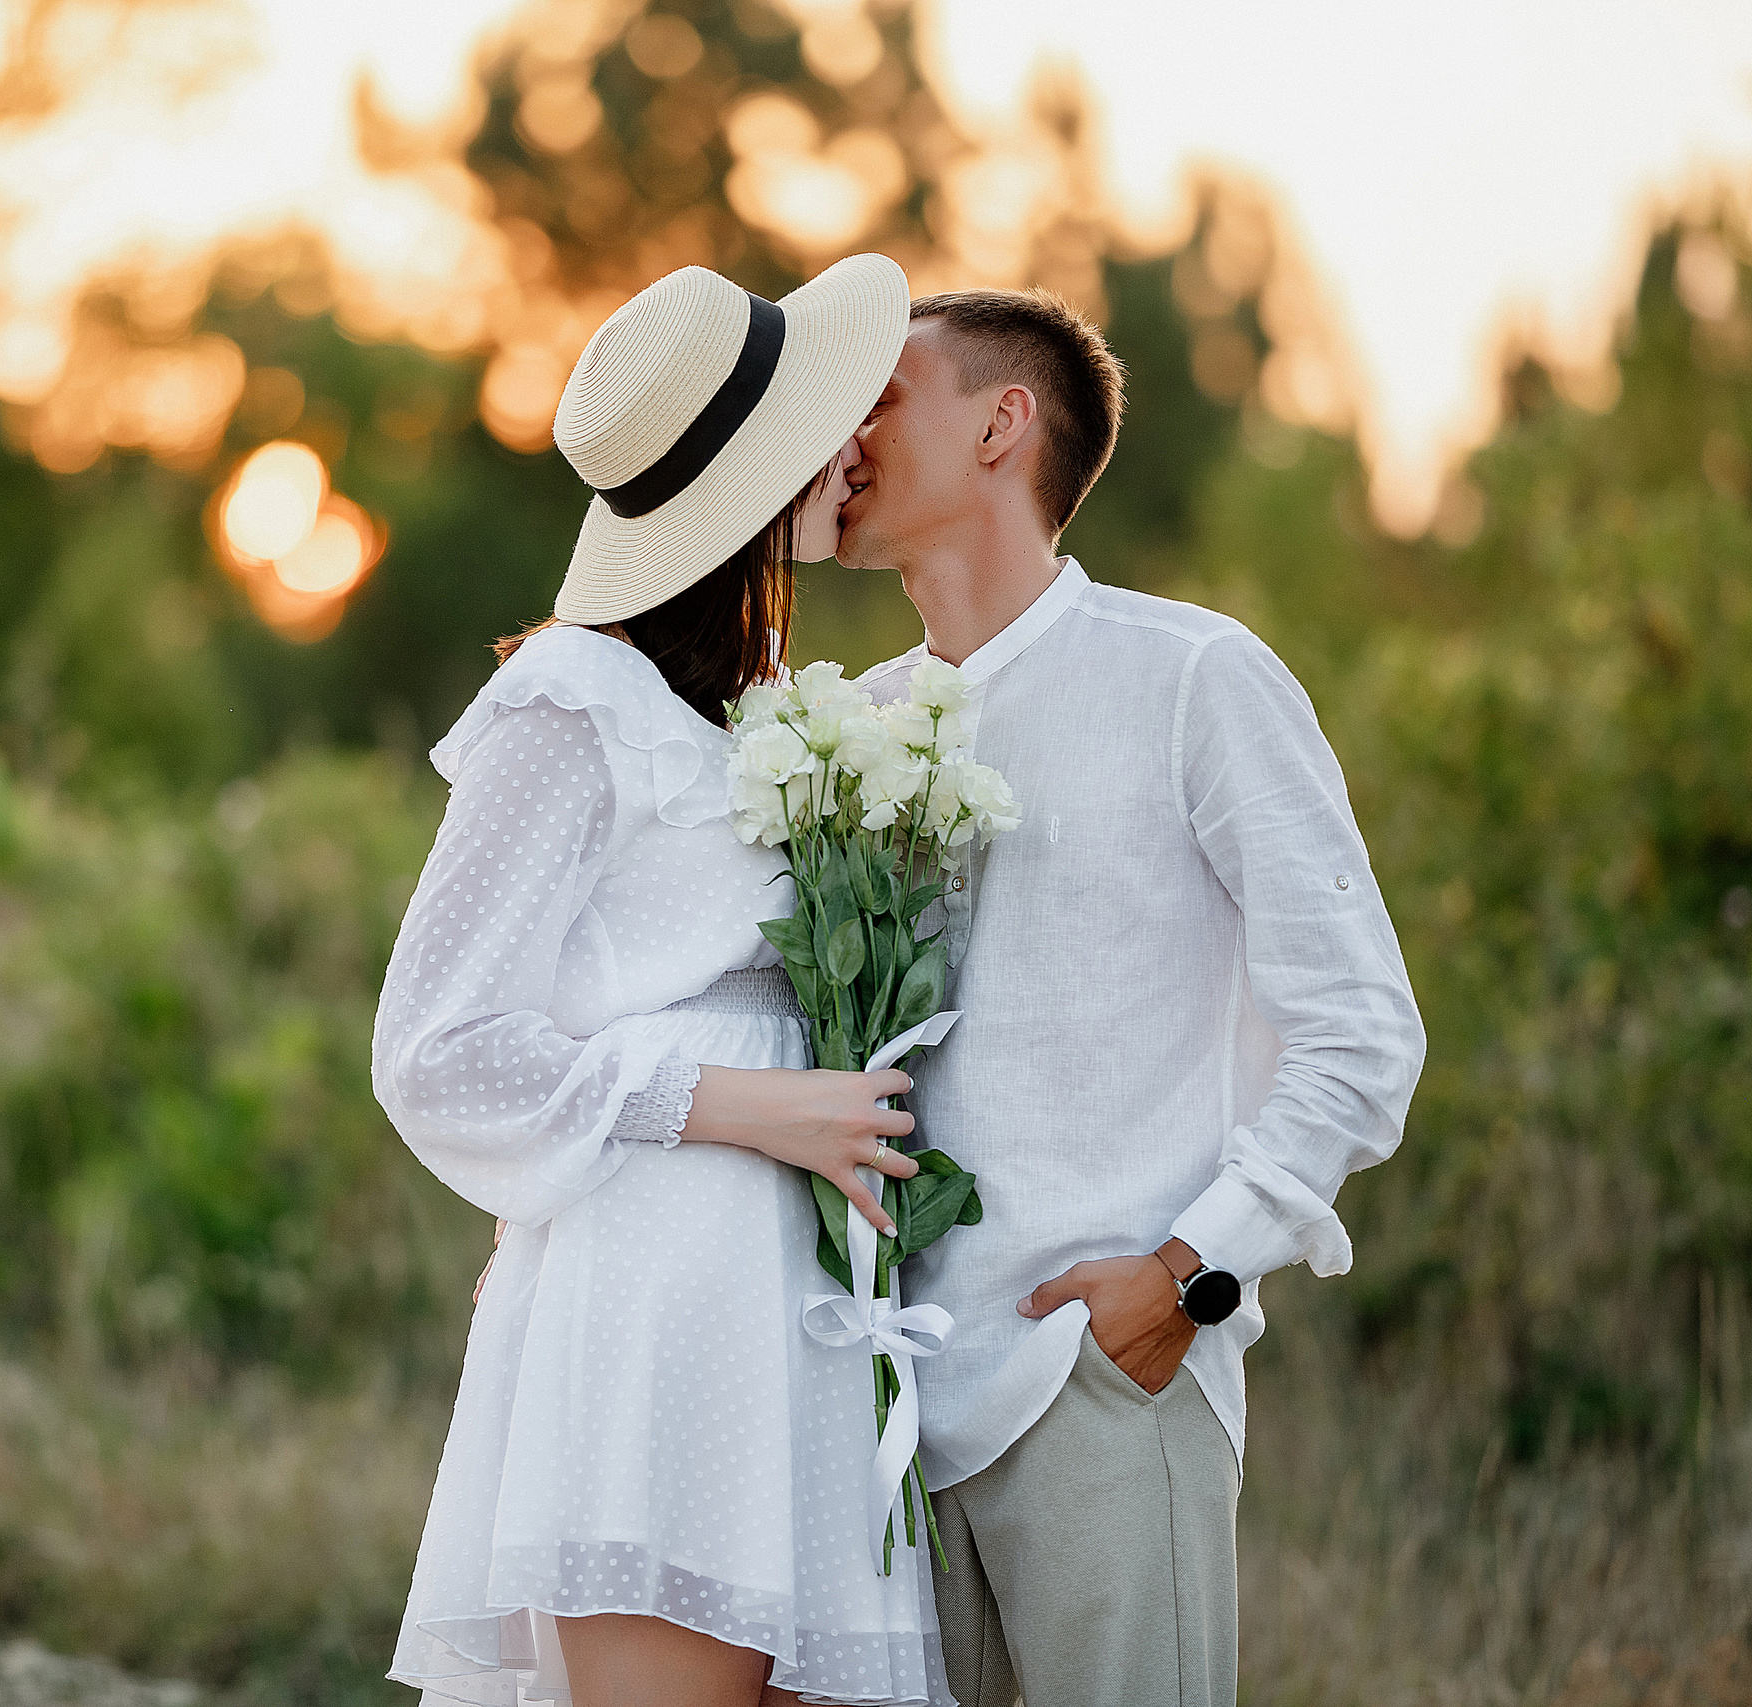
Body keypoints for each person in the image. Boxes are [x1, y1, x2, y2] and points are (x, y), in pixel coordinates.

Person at [374, 255, 959, 1707]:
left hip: (804, 1309)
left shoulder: (746, 717)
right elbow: (436, 1048)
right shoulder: (570, 702)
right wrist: (744, 1104)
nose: (856, 447)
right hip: (664, 1308)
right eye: (828, 421)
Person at [840, 289, 1428, 1707]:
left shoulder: (1195, 680)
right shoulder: (844, 727)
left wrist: (1188, 1281)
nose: (845, 437)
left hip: (1098, 1380)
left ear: (1001, 422)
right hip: (881, 1417)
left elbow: (1361, 1033)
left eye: (884, 397)